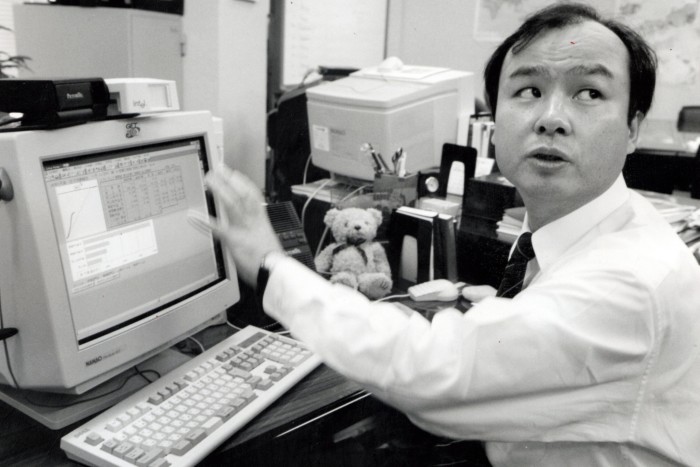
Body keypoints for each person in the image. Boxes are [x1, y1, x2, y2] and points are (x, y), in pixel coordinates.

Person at [200, 3, 700, 466]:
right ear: (493, 118)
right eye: (528, 91)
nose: (551, 118)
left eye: (589, 93)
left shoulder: (632, 280)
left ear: (633, 127)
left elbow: (432, 372)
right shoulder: (584, 230)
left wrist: (272, 267)